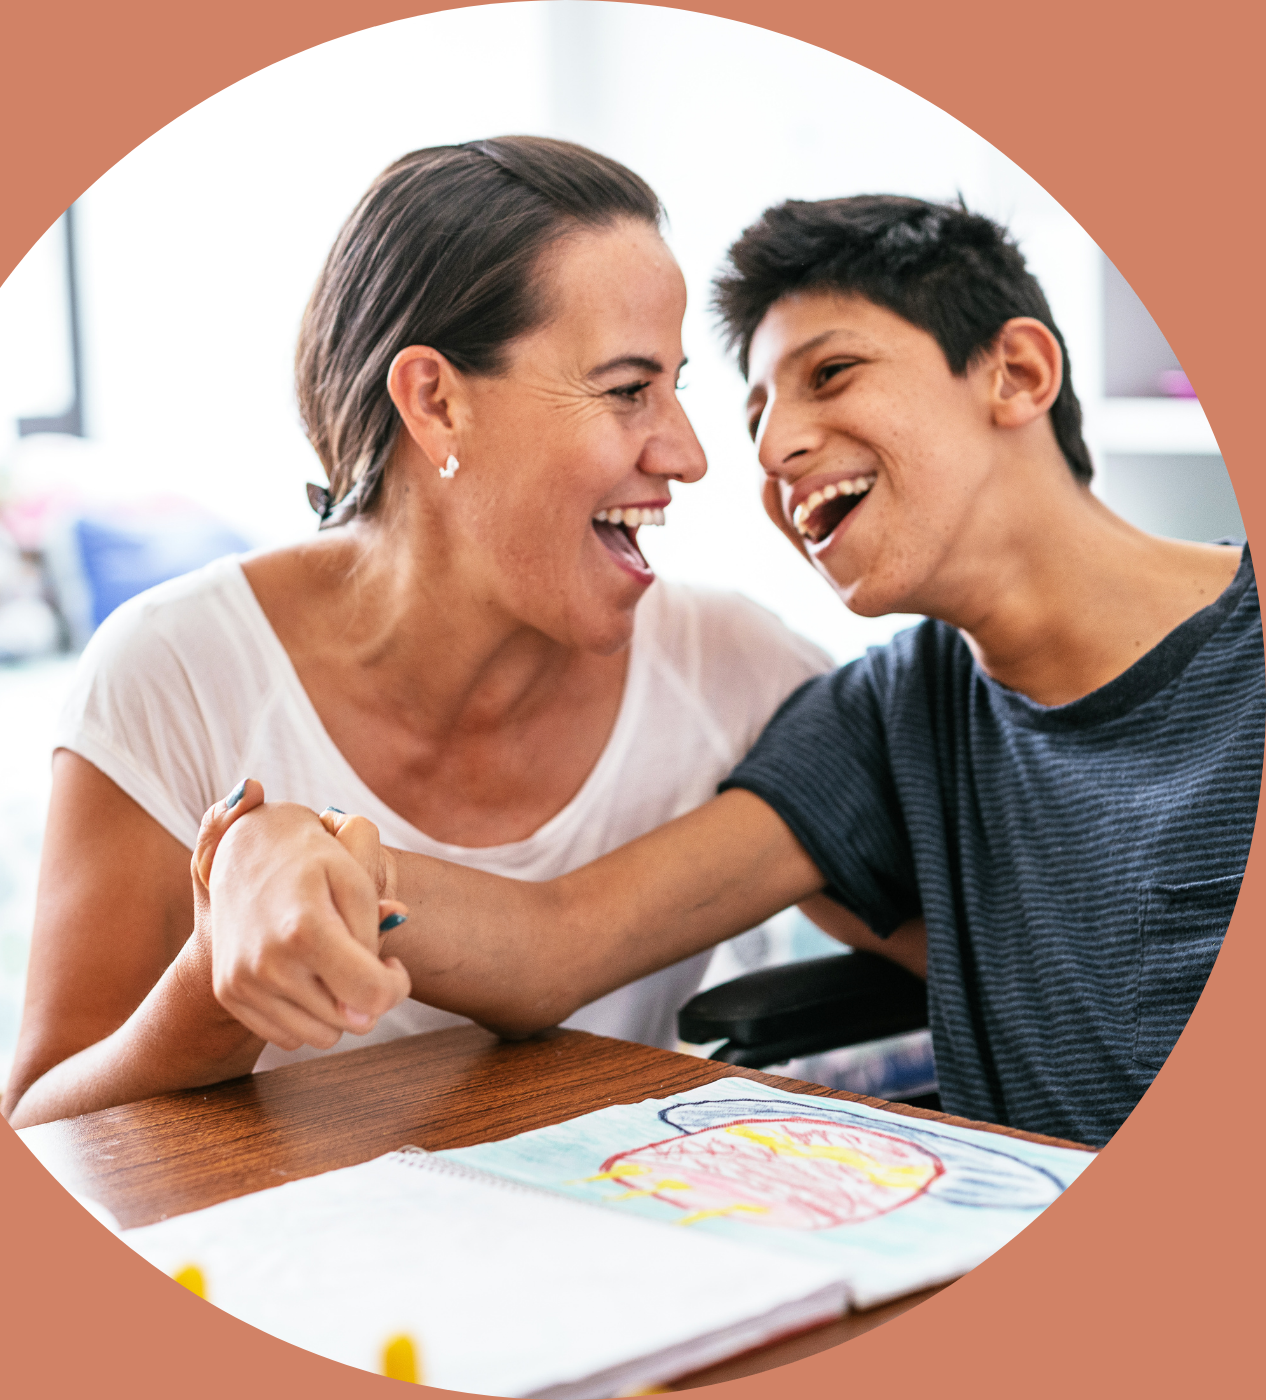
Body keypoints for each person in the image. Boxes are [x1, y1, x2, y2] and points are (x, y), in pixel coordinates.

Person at [200, 195, 1261, 1149]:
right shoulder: (890, 718)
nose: (771, 450)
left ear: (1015, 373)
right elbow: (554, 940)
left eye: (830, 374)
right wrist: (288, 849)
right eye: (755, 419)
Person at [2, 138, 868, 1129]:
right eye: (628, 388)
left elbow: (948, 920)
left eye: (676, 386)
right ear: (434, 400)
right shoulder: (172, 669)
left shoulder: (733, 669)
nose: (689, 453)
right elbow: (39, 1126)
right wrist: (216, 978)